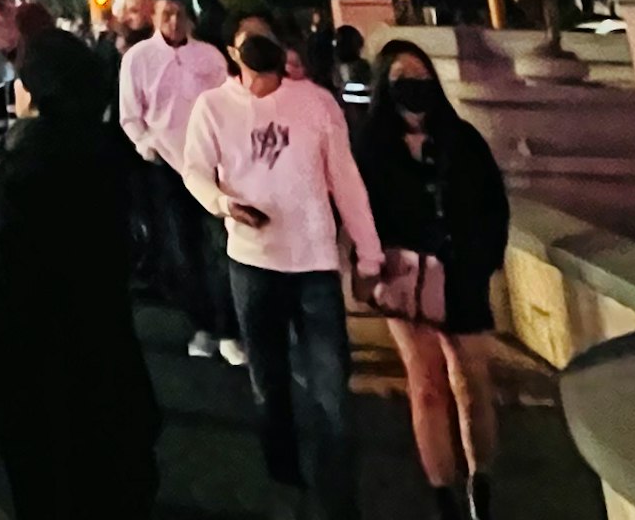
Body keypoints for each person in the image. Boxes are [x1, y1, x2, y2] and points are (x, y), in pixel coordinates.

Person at [178, 26, 382, 520]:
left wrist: (368, 253)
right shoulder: (213, 108)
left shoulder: (314, 103)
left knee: (333, 391)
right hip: (253, 263)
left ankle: (337, 502)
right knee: (268, 384)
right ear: (234, 52)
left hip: (313, 262)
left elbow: (345, 180)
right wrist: (226, 205)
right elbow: (195, 171)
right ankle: (285, 484)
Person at [0, 28, 159, 517]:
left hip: (46, 371)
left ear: (38, 90)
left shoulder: (32, 166)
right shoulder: (102, 151)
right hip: (108, 357)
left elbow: (13, 286)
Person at [357, 39, 514, 519]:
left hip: (462, 275)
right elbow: (362, 213)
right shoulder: (372, 148)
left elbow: (494, 205)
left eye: (421, 76)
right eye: (403, 77)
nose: (415, 87)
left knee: (472, 379)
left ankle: (480, 483)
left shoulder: (462, 139)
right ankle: (442, 492)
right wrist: (376, 264)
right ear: (387, 84)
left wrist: (481, 258)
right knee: (425, 385)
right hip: (408, 281)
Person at [121, 0, 237, 364]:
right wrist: (145, 144)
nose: (174, 21)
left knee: (221, 249)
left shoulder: (210, 57)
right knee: (182, 250)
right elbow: (131, 113)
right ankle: (202, 324)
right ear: (155, 18)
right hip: (167, 167)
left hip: (213, 164)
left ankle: (229, 329)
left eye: (180, 14)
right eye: (166, 14)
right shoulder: (138, 59)